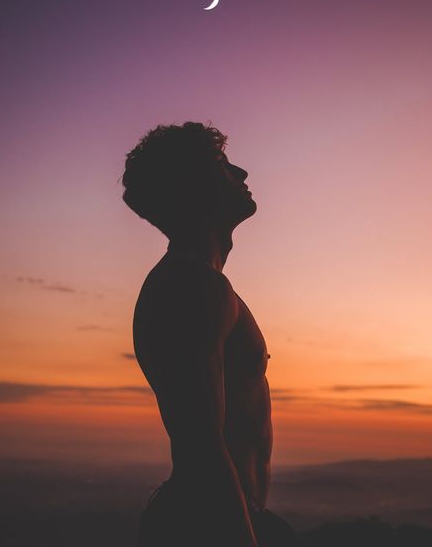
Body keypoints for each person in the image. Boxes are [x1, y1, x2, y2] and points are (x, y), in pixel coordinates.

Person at [121, 122, 298, 546]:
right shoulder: (192, 285)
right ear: (192, 186)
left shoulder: (205, 284)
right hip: (207, 519)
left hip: (226, 511)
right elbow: (200, 442)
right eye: (223, 165)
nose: (242, 173)